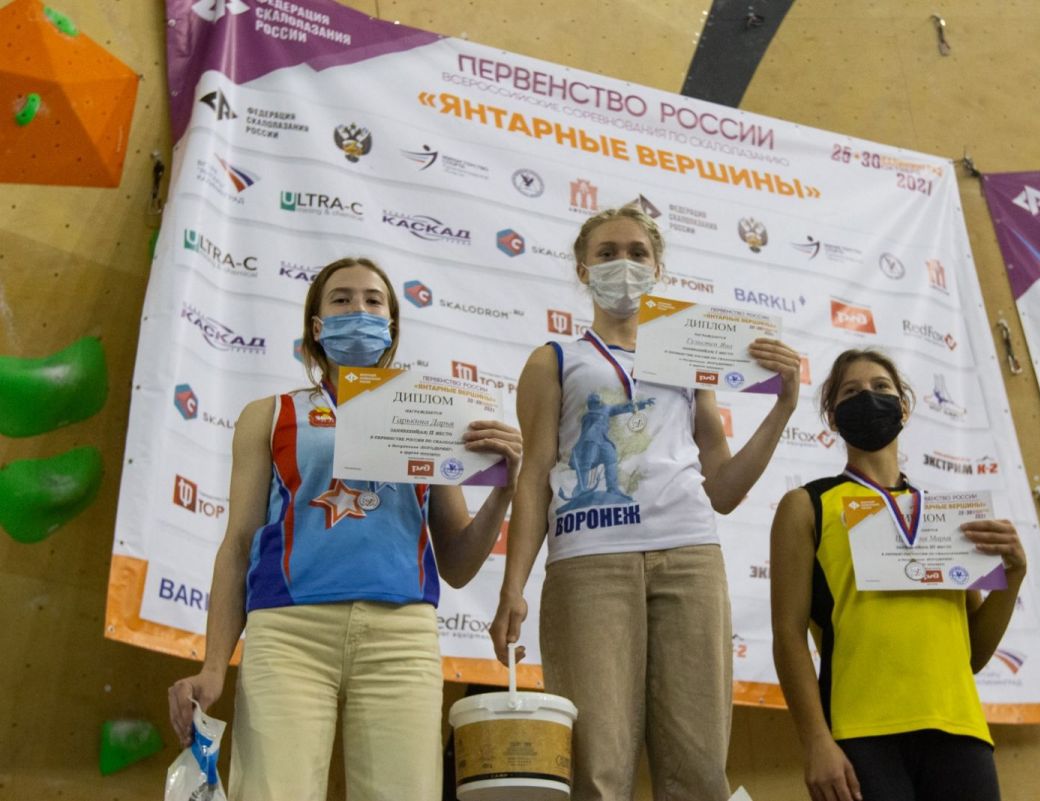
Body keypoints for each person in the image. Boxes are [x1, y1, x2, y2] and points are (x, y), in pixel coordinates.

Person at [167, 257, 522, 801]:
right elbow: (238, 546)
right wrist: (214, 666)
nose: (359, 308)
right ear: (316, 325)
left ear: (392, 325)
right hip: (288, 634)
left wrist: (504, 489)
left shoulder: (432, 417)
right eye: (341, 299)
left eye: (373, 301)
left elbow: (456, 564)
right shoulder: (269, 414)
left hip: (401, 637)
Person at [489, 207, 804, 800]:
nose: (624, 264)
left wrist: (783, 407)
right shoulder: (554, 359)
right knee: (598, 768)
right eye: (607, 253)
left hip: (690, 557)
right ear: (582, 270)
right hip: (589, 563)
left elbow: (724, 490)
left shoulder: (689, 362)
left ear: (658, 269)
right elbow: (533, 479)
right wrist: (513, 587)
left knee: (699, 770)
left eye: (637, 253)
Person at [769, 349, 1026, 801]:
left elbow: (971, 655)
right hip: (860, 736)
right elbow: (788, 635)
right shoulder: (807, 505)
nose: (868, 397)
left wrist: (1015, 575)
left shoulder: (944, 519)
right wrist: (816, 741)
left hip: (960, 731)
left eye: (881, 387)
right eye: (851, 392)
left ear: (903, 408)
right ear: (833, 417)